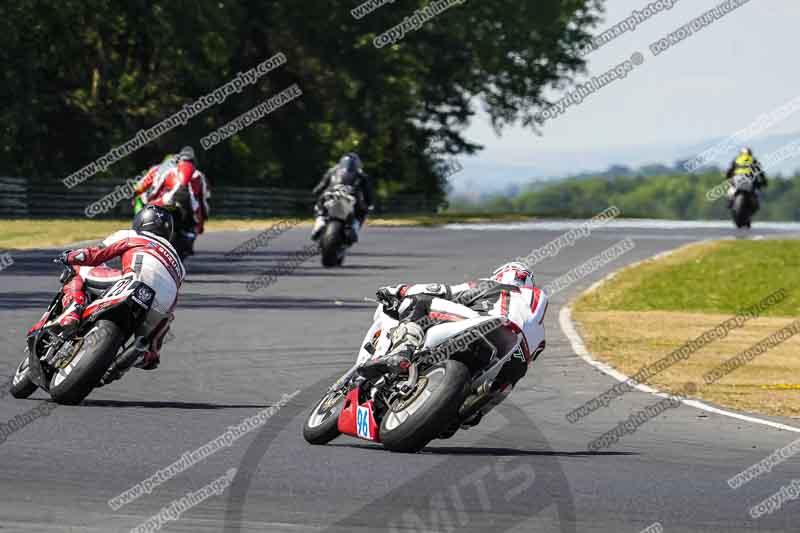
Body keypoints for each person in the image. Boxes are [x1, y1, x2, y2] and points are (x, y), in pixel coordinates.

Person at [358, 261, 548, 428]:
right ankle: (473, 410)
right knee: (506, 383)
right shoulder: (539, 323)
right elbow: (533, 355)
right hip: (515, 357)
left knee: (421, 301)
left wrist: (398, 291)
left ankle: (402, 351)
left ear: (501, 274)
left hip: (483, 323)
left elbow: (440, 290)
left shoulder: (490, 285)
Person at [41, 205, 185, 370]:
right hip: (160, 309)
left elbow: (95, 255)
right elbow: (174, 297)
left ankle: (71, 314)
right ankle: (148, 353)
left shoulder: (132, 235)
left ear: (141, 220)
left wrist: (69, 256)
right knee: (160, 325)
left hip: (133, 283)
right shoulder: (179, 264)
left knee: (79, 269)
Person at [133, 146, 210, 236]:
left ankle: (139, 228)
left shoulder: (165, 171)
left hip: (169, 202)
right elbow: (204, 200)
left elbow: (152, 189)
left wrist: (148, 200)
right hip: (182, 206)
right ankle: (141, 228)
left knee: (148, 206)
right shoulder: (199, 175)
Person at [310, 152, 375, 242]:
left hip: (331, 194)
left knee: (320, 207)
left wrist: (315, 193)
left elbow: (321, 186)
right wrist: (370, 204)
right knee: (362, 212)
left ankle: (319, 223)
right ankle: (353, 228)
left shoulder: (332, 171)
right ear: (357, 164)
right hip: (351, 197)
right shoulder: (361, 175)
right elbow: (368, 192)